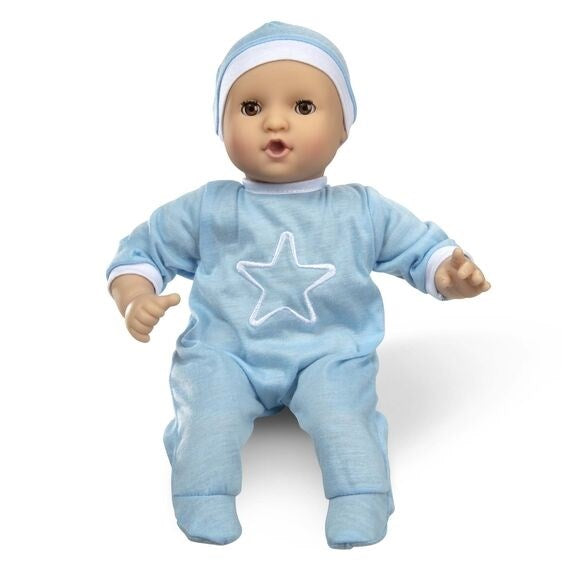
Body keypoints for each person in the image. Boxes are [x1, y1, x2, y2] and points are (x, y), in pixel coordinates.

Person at [106, 21, 490, 549]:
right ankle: (201, 493)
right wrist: (135, 296)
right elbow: (141, 251)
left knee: (345, 419)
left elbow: (421, 248)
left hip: (330, 353)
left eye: (304, 107)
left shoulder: (360, 210)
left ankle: (362, 495)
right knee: (208, 416)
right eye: (250, 107)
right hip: (226, 353)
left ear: (343, 128)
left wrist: (447, 275)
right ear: (222, 125)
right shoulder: (210, 207)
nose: (275, 121)